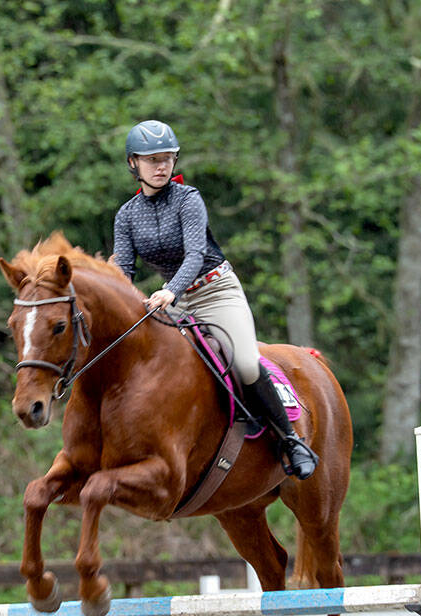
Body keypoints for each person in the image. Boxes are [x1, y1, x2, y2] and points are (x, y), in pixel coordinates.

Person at [110, 119, 318, 479]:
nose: (161, 166)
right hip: (170, 301)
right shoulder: (126, 216)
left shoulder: (188, 199)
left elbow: (194, 255)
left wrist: (170, 291)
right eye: (151, 159)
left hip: (215, 291)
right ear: (133, 164)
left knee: (247, 364)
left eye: (167, 158)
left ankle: (290, 439)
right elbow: (124, 273)